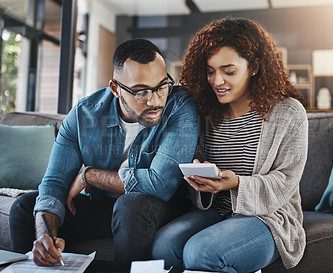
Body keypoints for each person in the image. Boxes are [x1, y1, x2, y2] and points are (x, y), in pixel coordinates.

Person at [9, 38, 198, 266]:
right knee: (24, 208)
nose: (155, 101)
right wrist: (45, 236)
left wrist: (90, 176)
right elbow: (54, 183)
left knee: (130, 206)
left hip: (160, 206)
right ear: (116, 89)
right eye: (140, 92)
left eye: (161, 86)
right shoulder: (84, 114)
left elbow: (161, 184)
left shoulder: (180, 107)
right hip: (106, 206)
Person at [152, 17, 308, 273]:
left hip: (267, 217)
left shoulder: (288, 113)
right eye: (210, 71)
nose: (217, 81)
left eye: (229, 71)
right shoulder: (204, 113)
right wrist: (199, 179)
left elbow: (285, 182)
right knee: (164, 246)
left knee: (200, 252)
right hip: (217, 211)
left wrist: (236, 183)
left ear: (254, 67)